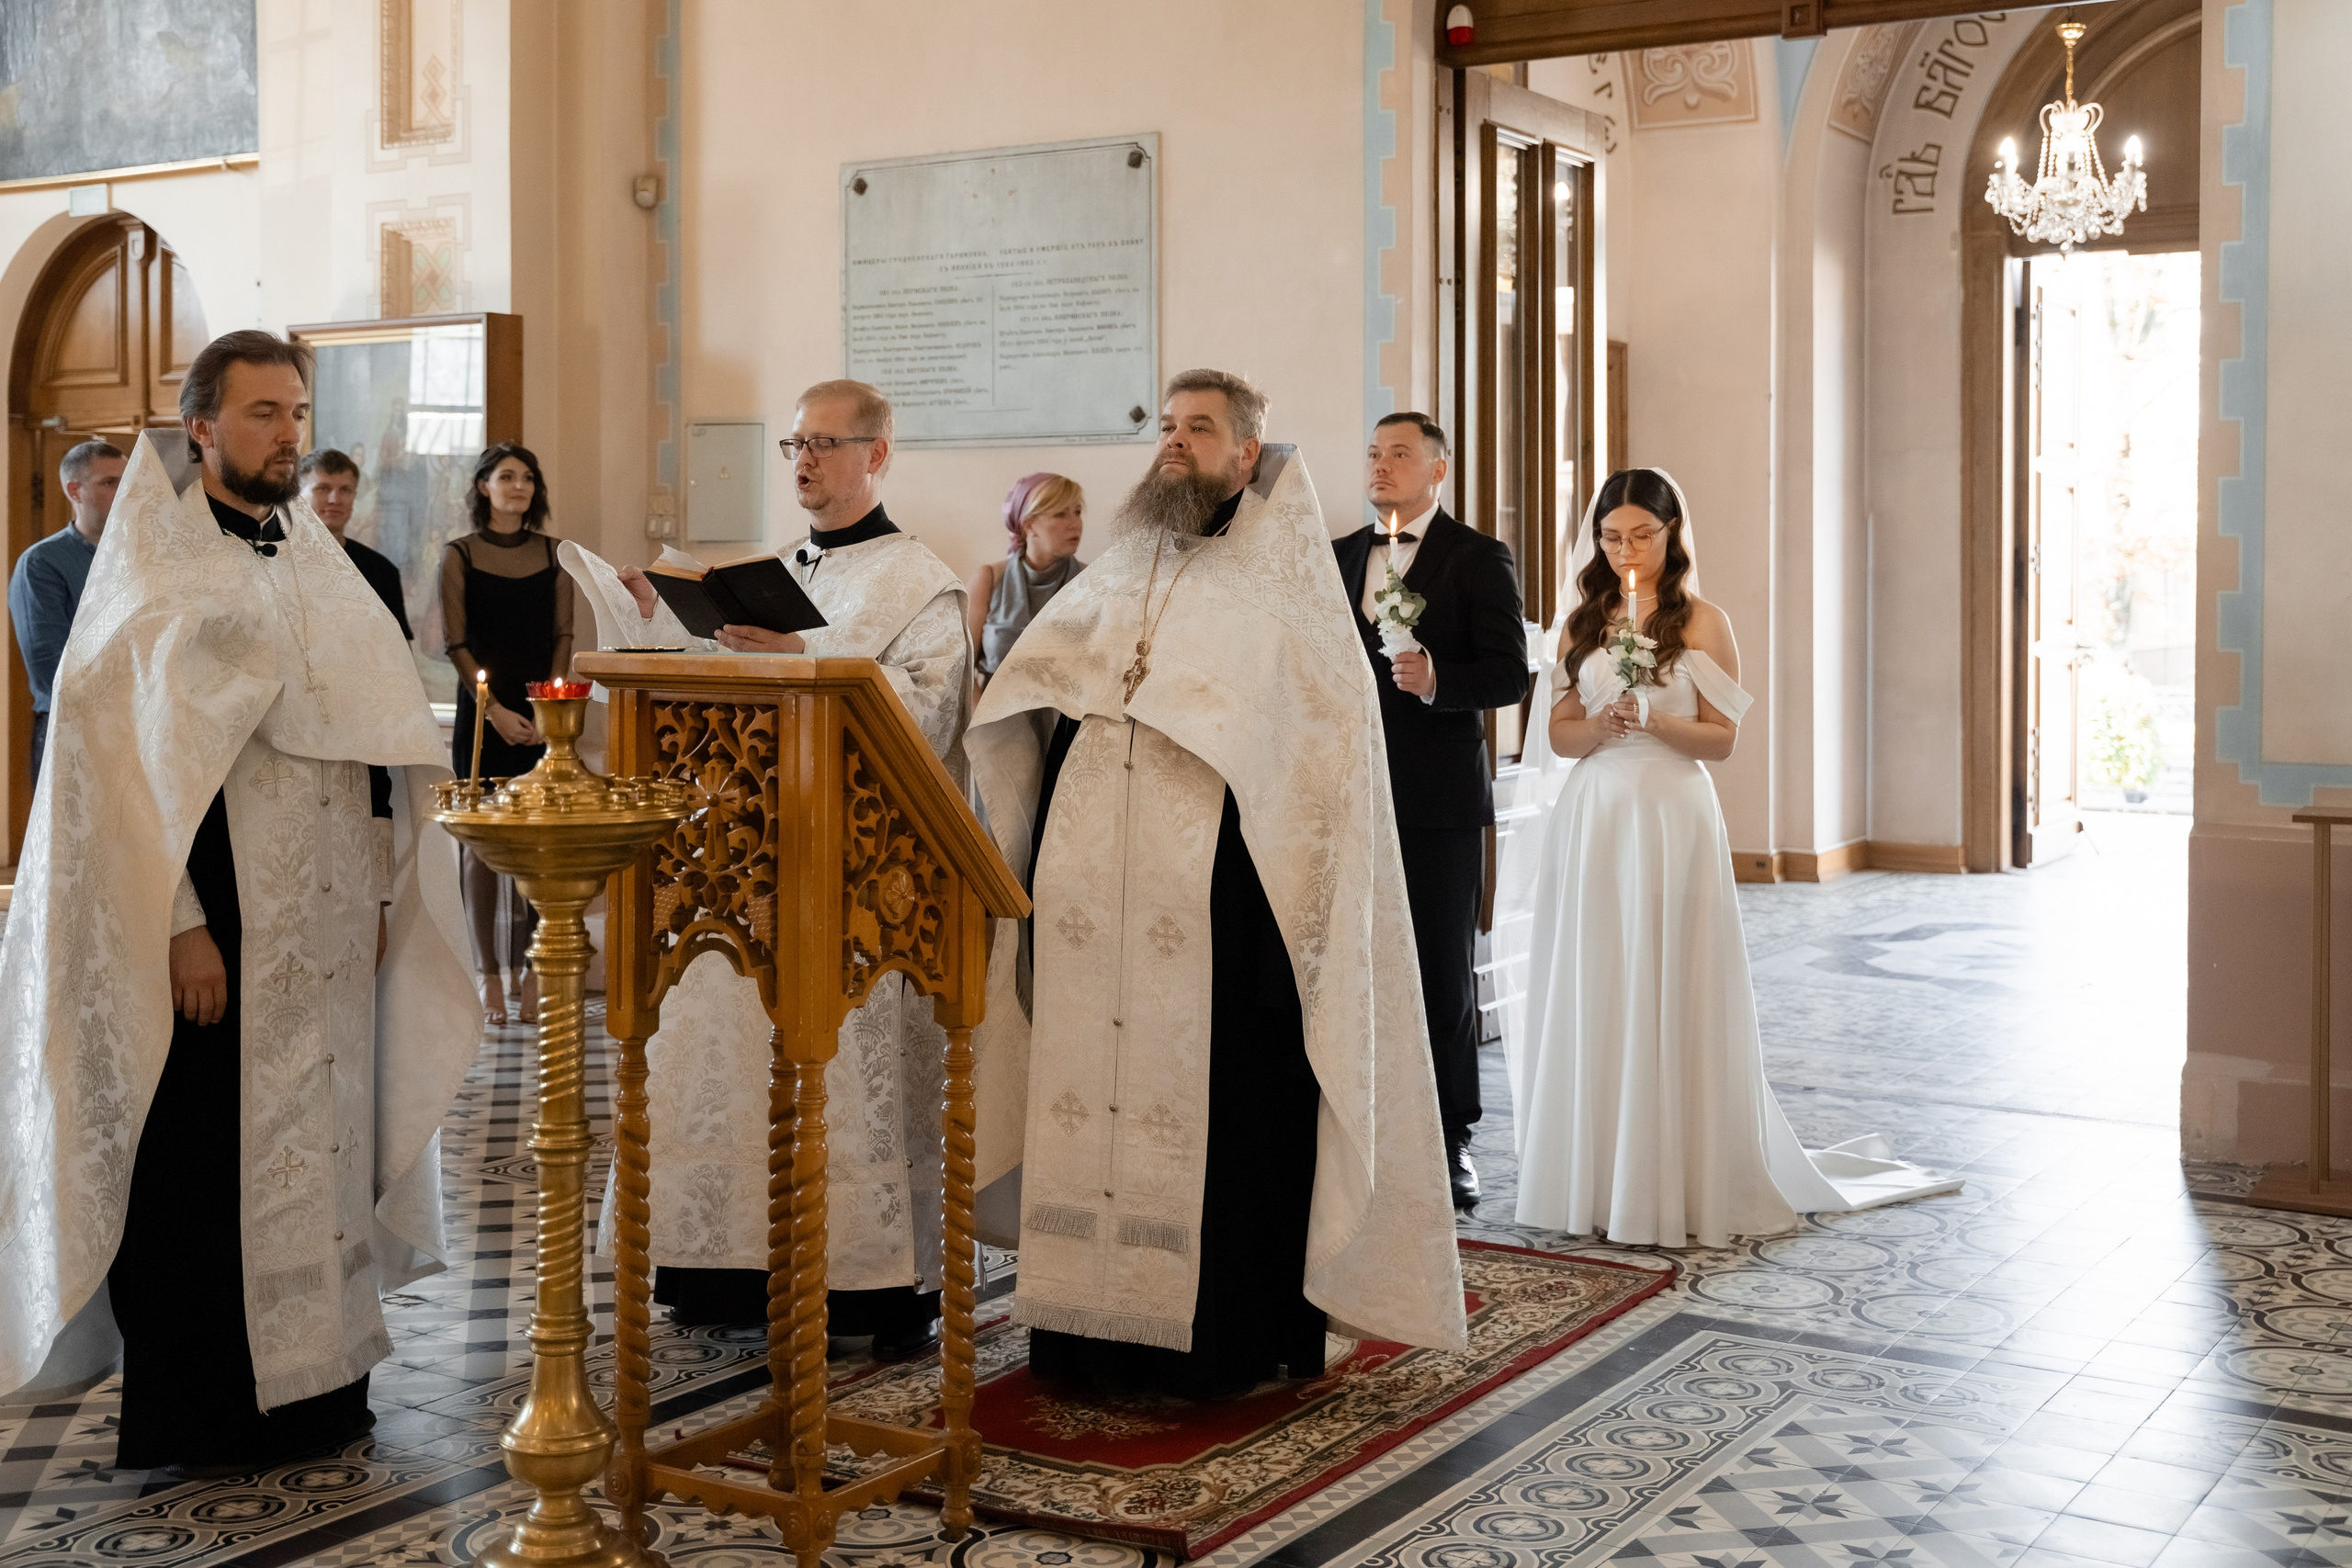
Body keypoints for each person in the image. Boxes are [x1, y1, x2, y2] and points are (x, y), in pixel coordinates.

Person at [0, 330, 477, 1472]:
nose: (286, 435)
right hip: (212, 920)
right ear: (201, 428)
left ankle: (323, 1392)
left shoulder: (319, 564)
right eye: (263, 414)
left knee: (323, 1141)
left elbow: (370, 737)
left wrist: (381, 887)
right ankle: (206, 1412)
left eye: (297, 413)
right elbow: (119, 773)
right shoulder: (152, 574)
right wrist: (180, 926)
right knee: (198, 1162)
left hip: (325, 924)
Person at [966, 369, 1467, 1400]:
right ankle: (1083, 1332)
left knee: (1224, 1105)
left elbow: (1322, 749)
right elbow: (1037, 686)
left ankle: (1220, 1340)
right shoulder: (1120, 570)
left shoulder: (1285, 589)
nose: (1174, 442)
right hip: (1093, 894)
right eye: (1166, 425)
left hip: (1225, 904)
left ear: (1247, 454)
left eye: (1199, 428)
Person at [570, 378, 971, 1359]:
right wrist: (662, 620)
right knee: (724, 1054)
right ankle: (722, 1265)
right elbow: (722, 689)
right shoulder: (775, 569)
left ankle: (859, 1283)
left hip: (850, 875)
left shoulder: (922, 584)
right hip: (742, 868)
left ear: (877, 454)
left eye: (826, 443)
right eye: (796, 443)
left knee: (834, 1069)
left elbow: (930, 716)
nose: (805, 460)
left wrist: (807, 657)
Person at [1501, 468, 1958, 1247]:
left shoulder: (1703, 623)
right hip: (1598, 813)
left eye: (1641, 535)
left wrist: (1654, 718)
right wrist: (1604, 725)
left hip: (1671, 811)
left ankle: (1675, 1175)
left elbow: (1722, 739)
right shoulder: (1583, 622)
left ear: (1671, 533)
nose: (1625, 551)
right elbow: (1559, 735)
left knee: (1670, 973)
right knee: (1600, 973)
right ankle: (1597, 1176)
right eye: (1611, 537)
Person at [1332, 413, 1529, 1212]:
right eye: (1373, 453)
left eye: (1400, 454)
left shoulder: (1478, 557)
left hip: (1439, 800)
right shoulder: (1340, 554)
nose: (1381, 465)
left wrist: (1440, 680)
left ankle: (1452, 1137)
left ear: (1437, 470)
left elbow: (1509, 674)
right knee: (1354, 964)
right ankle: (1361, 1130)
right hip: (1348, 793)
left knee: (1441, 973)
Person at [440, 442, 574, 1026]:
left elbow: (564, 638)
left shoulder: (554, 554)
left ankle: (532, 972)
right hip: (482, 717)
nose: (518, 486)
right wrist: (493, 710)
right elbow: (456, 644)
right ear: (483, 487)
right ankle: (488, 977)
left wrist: (548, 710)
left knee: (540, 847)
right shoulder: (460, 555)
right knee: (481, 848)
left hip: (543, 716)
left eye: (527, 478)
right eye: (506, 476)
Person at [7, 439, 124, 783]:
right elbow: (53, 669)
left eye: (127, 480)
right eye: (109, 482)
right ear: (75, 491)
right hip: (71, 734)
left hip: (132, 729)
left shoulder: (138, 557)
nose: (125, 491)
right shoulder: (42, 563)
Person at [966, 472, 1085, 690]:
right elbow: (962, 668)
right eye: (1060, 514)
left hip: (1068, 710)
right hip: (994, 708)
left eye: (1077, 512)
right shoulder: (987, 579)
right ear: (1028, 525)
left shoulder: (1092, 580)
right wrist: (978, 710)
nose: (1075, 524)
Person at [300, 447, 412, 639]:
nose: (334, 500)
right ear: (297, 495)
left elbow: (400, 650)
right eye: (323, 489)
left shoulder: (382, 571)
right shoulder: (271, 560)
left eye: (345, 490)